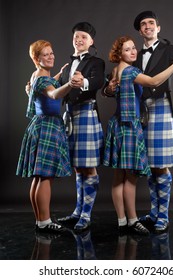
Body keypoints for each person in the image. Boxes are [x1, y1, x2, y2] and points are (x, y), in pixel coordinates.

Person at [102, 36, 173, 235]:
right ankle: (132, 220)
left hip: (116, 125)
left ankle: (121, 221)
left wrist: (108, 89)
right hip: (130, 126)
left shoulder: (115, 71)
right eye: (127, 50)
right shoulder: (131, 71)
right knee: (130, 177)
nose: (133, 52)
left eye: (134, 48)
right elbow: (154, 81)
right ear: (119, 54)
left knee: (117, 177)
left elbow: (107, 90)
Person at [16, 40, 76, 234]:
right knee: (45, 177)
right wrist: (69, 83)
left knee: (39, 177)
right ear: (36, 59)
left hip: (39, 125)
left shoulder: (37, 76)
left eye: (51, 53)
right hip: (47, 128)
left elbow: (48, 85)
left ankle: (40, 220)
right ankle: (45, 221)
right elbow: (53, 94)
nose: (51, 56)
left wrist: (59, 74)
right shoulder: (42, 79)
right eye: (45, 55)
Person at [57, 22, 105, 232]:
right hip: (70, 116)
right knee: (77, 166)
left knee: (89, 166)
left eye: (83, 37)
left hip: (86, 113)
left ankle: (86, 215)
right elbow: (59, 89)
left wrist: (83, 81)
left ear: (91, 41)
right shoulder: (68, 66)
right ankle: (78, 211)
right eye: (76, 36)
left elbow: (98, 82)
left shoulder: (96, 62)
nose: (79, 39)